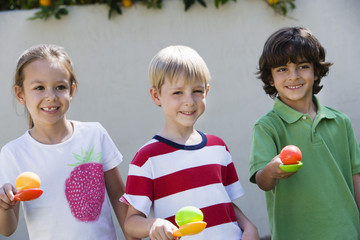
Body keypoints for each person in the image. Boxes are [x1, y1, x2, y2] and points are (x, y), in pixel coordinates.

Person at [120, 45, 259, 240]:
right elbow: (131, 223)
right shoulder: (146, 158)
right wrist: (154, 224)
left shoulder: (218, 147)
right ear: (156, 95)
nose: (189, 101)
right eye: (177, 92)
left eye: (196, 91)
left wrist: (249, 227)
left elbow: (225, 204)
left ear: (207, 91)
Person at [0, 44, 137, 240]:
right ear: (20, 94)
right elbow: (7, 229)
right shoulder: (13, 153)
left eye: (60, 87)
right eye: (39, 87)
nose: (51, 96)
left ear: (71, 90)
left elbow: (118, 196)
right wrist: (4, 206)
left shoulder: (95, 135)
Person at [249, 26, 360, 240]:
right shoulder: (267, 127)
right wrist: (272, 170)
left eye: (302, 66)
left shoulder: (340, 121)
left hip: (347, 232)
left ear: (316, 71)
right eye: (282, 69)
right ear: (270, 78)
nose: (294, 76)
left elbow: (356, 179)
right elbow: (263, 181)